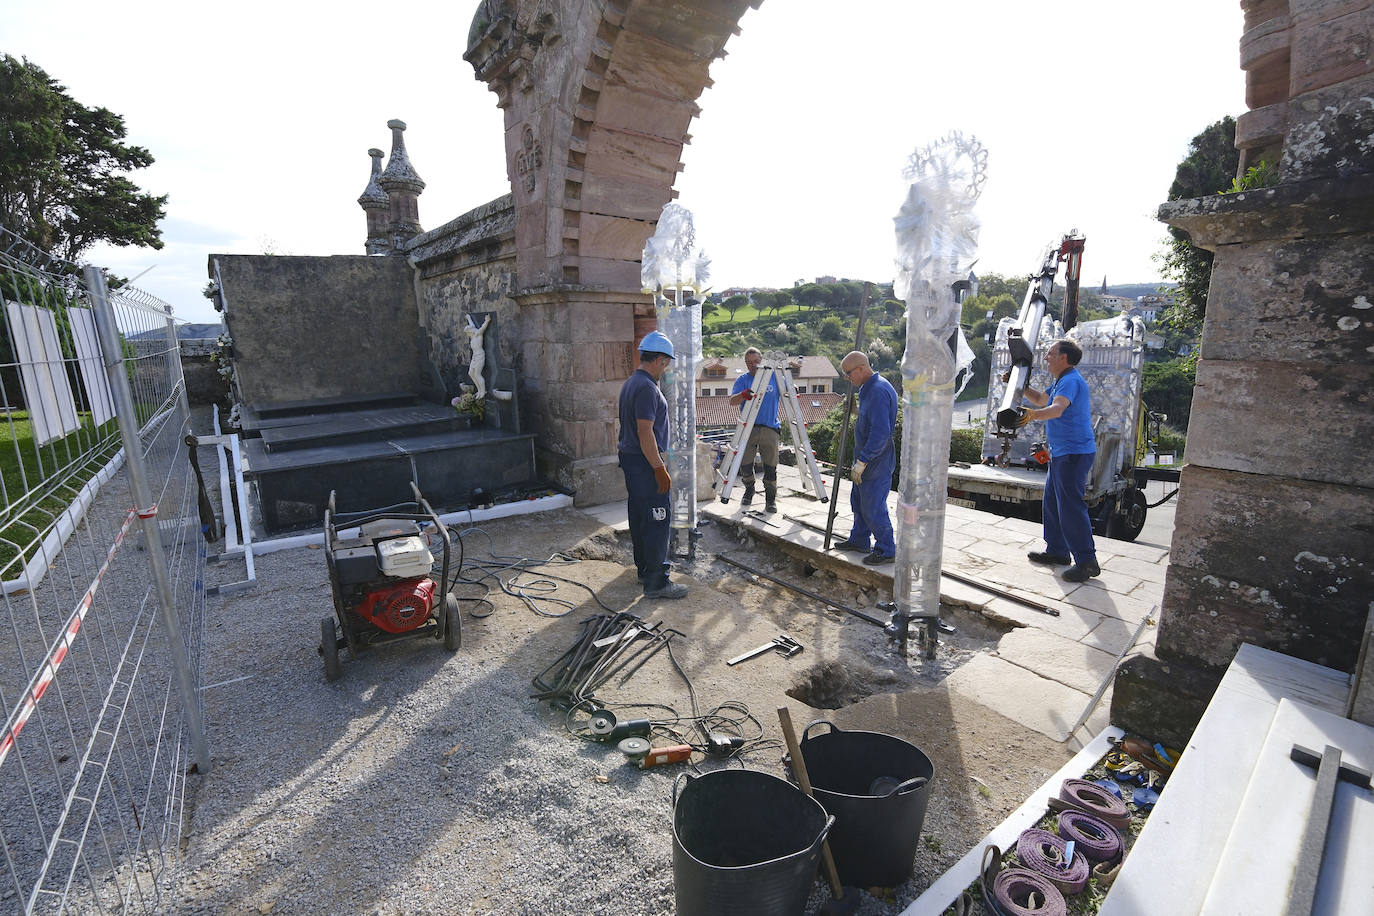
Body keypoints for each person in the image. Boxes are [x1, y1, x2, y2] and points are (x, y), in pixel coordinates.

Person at [1018, 339, 1099, 581]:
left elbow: (1056, 409)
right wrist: (1021, 388)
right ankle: (1058, 551)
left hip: (1074, 453)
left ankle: (1087, 561)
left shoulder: (1071, 381)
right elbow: (1043, 400)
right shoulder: (1062, 380)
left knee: (1070, 507)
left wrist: (1030, 416)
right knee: (1052, 503)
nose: (1046, 357)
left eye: (1051, 353)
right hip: (1063, 452)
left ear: (1064, 358)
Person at [618, 331, 687, 599]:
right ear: (658, 359)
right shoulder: (647, 387)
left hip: (632, 460)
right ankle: (657, 582)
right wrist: (659, 468)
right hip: (645, 463)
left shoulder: (631, 383)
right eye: (666, 362)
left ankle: (644, 570)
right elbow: (645, 431)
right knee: (658, 520)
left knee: (640, 518)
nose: (666, 367)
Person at [832, 351, 897, 565]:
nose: (847, 378)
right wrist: (857, 411)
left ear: (861, 368)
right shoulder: (868, 389)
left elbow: (880, 432)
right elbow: (872, 419)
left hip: (876, 461)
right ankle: (859, 540)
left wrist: (863, 461)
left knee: (872, 506)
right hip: (866, 457)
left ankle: (886, 549)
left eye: (849, 373)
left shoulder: (878, 391)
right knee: (859, 502)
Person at [727, 347, 781, 513]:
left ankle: (770, 499)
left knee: (770, 466)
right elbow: (732, 401)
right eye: (749, 362)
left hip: (769, 427)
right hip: (748, 428)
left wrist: (793, 388)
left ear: (761, 360)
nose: (753, 365)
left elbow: (788, 387)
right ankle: (749, 489)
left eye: (755, 361)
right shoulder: (743, 380)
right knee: (745, 464)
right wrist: (743, 395)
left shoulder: (774, 377)